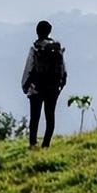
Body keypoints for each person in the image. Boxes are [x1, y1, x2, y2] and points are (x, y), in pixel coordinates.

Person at [21, 19, 67, 148]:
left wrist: (25, 86)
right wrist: (60, 85)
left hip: (37, 88)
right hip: (53, 88)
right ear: (49, 31)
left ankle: (33, 143)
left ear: (37, 32)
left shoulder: (36, 49)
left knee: (35, 117)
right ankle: (46, 144)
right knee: (50, 116)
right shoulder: (56, 49)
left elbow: (28, 68)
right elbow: (63, 70)